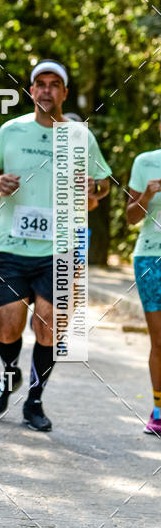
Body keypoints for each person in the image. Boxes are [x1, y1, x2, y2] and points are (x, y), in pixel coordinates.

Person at [0, 59, 111, 432]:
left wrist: (93, 188)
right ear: (31, 90)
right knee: (8, 326)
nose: (47, 90)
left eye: (55, 84)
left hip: (61, 248)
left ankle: (34, 400)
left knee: (48, 327)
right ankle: (10, 373)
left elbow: (104, 183)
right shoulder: (10, 130)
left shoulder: (81, 136)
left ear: (64, 93)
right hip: (12, 246)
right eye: (41, 83)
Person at [126, 140, 161, 436]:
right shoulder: (145, 161)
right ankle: (159, 410)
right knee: (159, 340)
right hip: (151, 258)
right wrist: (147, 195)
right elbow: (131, 217)